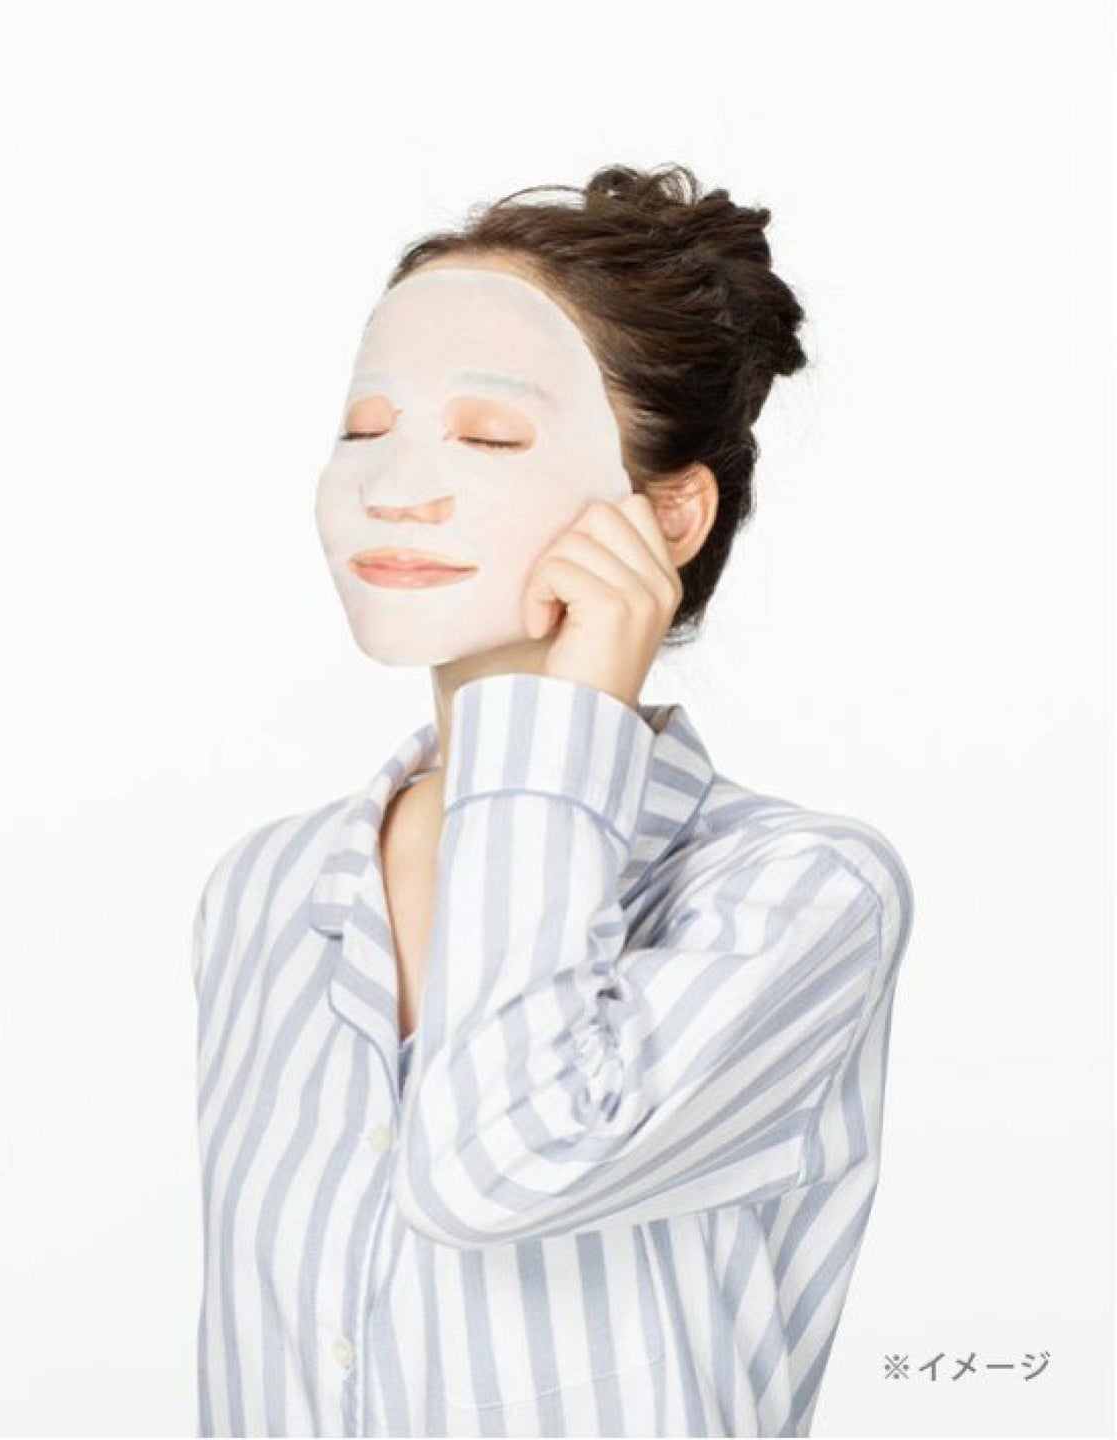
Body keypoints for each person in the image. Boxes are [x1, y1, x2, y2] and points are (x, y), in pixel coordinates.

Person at [191, 163, 915, 1438]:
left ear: (669, 514)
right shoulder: (273, 888)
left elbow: (497, 1172)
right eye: (364, 427)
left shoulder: (797, 894)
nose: (394, 484)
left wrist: (565, 723)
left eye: (488, 437)